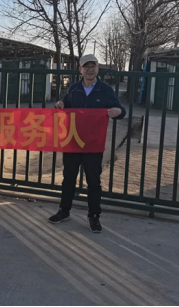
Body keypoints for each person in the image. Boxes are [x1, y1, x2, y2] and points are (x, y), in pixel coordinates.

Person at [49, 54, 126, 233]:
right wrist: (60, 104)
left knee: (93, 181)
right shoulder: (74, 88)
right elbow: (65, 104)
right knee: (68, 178)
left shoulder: (105, 90)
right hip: (73, 141)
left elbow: (120, 110)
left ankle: (94, 215)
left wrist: (118, 112)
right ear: (80, 70)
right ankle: (64, 210)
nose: (90, 69)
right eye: (86, 66)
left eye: (93, 66)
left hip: (93, 144)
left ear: (98, 69)